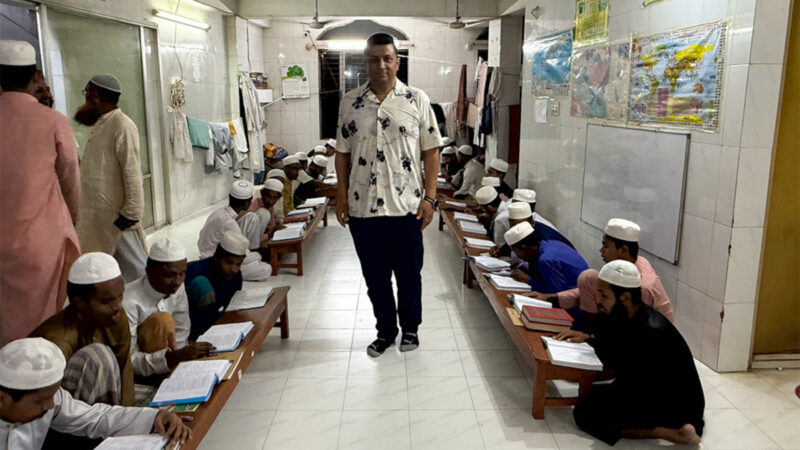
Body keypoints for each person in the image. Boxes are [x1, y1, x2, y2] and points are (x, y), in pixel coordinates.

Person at [335, 33, 443, 357]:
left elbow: (432, 150)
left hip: (406, 207)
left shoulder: (416, 99)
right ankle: (385, 331)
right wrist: (341, 196)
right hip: (362, 209)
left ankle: (410, 329)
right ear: (365, 62)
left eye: (387, 58)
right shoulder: (349, 102)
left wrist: (430, 197)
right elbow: (341, 152)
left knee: (409, 276)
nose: (380, 65)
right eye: (373, 58)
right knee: (375, 279)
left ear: (397, 61)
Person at [556, 260, 704, 446]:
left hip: (675, 404)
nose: (599, 300)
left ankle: (669, 432)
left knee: (584, 413)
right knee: (595, 397)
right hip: (653, 388)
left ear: (625, 297)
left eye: (603, 294)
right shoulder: (626, 314)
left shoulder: (651, 329)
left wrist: (580, 376)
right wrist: (586, 338)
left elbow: (626, 376)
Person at [0, 40, 81, 345]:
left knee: (7, 317)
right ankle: (42, 380)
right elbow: (70, 175)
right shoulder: (52, 121)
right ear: (34, 75)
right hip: (42, 240)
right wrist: (70, 220)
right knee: (45, 318)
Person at [0, 337, 191, 449]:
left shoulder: (48, 398)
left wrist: (155, 416)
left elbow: (95, 418)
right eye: (41, 401)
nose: (51, 405)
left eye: (53, 395)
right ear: (2, 399)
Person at [31, 253, 135, 406]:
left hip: (106, 401)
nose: (117, 306)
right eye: (107, 301)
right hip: (61, 410)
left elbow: (124, 368)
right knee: (98, 356)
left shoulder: (115, 315)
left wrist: (128, 414)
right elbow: (42, 404)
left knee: (157, 406)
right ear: (80, 303)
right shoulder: (55, 341)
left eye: (120, 296)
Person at [74, 73, 148, 283]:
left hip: (120, 219)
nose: (85, 98)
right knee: (106, 275)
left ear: (95, 95)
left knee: (139, 275)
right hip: (99, 219)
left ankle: (156, 313)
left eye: (86, 93)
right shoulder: (101, 125)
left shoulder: (122, 125)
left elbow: (132, 171)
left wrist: (131, 213)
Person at [532, 219, 674, 326]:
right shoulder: (628, 264)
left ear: (623, 250)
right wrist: (548, 297)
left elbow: (632, 330)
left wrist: (592, 340)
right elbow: (584, 292)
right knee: (588, 277)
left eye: (606, 246)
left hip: (646, 342)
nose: (601, 251)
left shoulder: (641, 286)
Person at [122, 238, 214, 377]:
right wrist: (172, 358)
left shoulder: (177, 287)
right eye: (170, 275)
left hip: (171, 360)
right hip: (142, 372)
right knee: (162, 320)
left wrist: (183, 359)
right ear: (149, 271)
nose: (177, 281)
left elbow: (181, 329)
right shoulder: (129, 302)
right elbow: (129, 360)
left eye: (182, 274)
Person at [197, 179, 271, 281]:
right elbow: (241, 256)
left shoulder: (218, 212)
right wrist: (259, 255)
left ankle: (254, 250)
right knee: (266, 269)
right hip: (216, 261)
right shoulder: (230, 224)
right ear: (246, 203)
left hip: (212, 251)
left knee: (251, 217)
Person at [185, 231, 247, 340]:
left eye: (238, 264)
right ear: (216, 258)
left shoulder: (236, 275)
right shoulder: (196, 273)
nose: (234, 269)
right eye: (229, 263)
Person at [505, 222, 588, 294]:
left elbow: (556, 294)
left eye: (516, 251)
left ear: (524, 247)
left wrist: (528, 280)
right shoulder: (551, 243)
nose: (517, 256)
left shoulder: (546, 259)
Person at [248, 179, 285, 247]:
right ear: (262, 193)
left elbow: (271, 228)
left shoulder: (270, 207)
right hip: (249, 244)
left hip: (258, 240)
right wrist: (269, 235)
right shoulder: (253, 206)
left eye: (275, 198)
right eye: (268, 196)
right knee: (264, 213)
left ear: (278, 198)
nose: (270, 201)